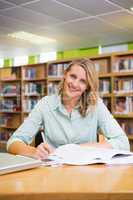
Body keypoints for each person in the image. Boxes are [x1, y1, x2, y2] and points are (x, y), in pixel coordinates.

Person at [7, 58, 130, 159]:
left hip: (87, 173)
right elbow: (13, 142)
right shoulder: (45, 105)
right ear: (65, 75)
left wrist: (79, 149)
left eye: (83, 81)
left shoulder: (96, 106)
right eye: (73, 76)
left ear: (87, 87)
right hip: (53, 171)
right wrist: (33, 151)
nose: (75, 84)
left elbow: (123, 142)